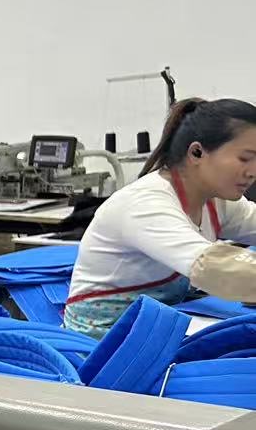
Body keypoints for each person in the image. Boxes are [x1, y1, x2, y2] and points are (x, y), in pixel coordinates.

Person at [65, 98, 256, 337]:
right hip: (106, 340)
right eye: (245, 158)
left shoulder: (215, 200)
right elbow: (212, 267)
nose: (253, 172)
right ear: (196, 152)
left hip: (158, 325)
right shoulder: (146, 203)